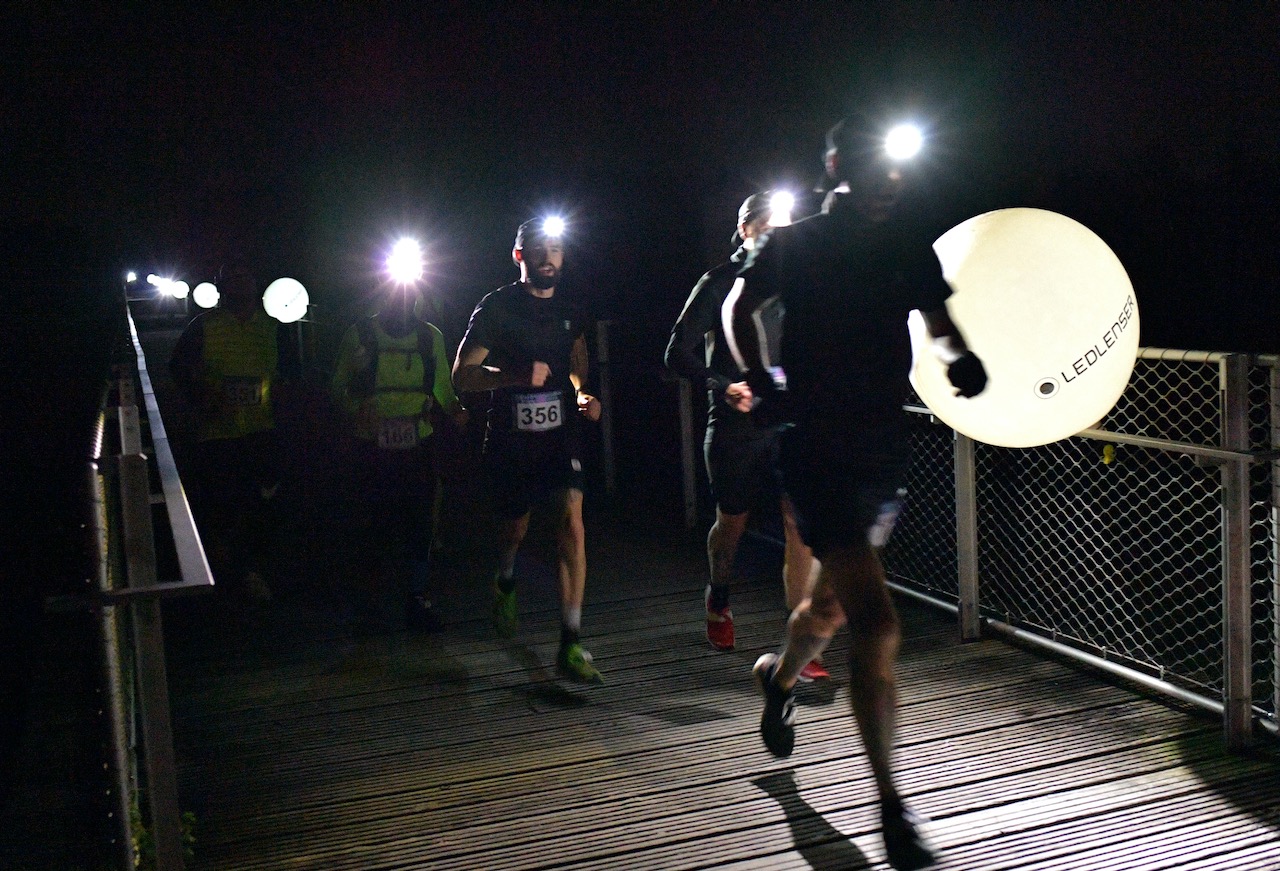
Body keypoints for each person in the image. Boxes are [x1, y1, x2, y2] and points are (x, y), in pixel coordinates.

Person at [725, 115, 988, 871]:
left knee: (835, 605)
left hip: (882, 449)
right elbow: (734, 308)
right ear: (839, 164)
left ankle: (776, 677)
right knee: (875, 621)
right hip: (816, 449)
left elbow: (937, 321)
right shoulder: (800, 239)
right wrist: (763, 375)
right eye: (875, 168)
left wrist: (960, 357)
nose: (888, 182)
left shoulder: (906, 244)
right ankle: (893, 811)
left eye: (898, 171)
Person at [664, 193, 827, 680]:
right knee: (731, 524)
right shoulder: (718, 283)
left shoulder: (801, 282)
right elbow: (676, 352)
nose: (779, 235)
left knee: (799, 526)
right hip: (736, 423)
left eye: (786, 226)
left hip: (788, 418)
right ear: (745, 230)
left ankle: (801, 641)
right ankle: (718, 593)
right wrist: (722, 384)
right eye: (768, 226)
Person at [453, 218, 604, 683]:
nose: (548, 258)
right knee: (514, 527)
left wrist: (581, 394)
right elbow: (462, 375)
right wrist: (512, 376)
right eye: (539, 250)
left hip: (561, 436)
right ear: (520, 257)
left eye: (556, 250)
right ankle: (505, 578)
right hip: (511, 437)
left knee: (572, 524)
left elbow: (577, 365)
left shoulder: (573, 308)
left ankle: (572, 642)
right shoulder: (496, 308)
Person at [330, 286, 468, 632]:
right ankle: (369, 603)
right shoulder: (360, 334)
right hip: (370, 447)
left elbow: (441, 386)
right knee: (372, 523)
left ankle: (416, 598)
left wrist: (456, 410)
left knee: (420, 525)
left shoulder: (429, 337)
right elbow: (337, 387)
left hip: (417, 444)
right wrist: (354, 410)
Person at [169, 260, 298, 603]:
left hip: (262, 430)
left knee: (263, 503)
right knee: (224, 503)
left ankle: (251, 568)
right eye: (233, 282)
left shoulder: (273, 327)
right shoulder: (204, 327)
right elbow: (178, 368)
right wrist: (203, 397)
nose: (241, 289)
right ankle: (229, 572)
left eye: (246, 280)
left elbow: (291, 373)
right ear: (222, 288)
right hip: (218, 433)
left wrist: (285, 408)